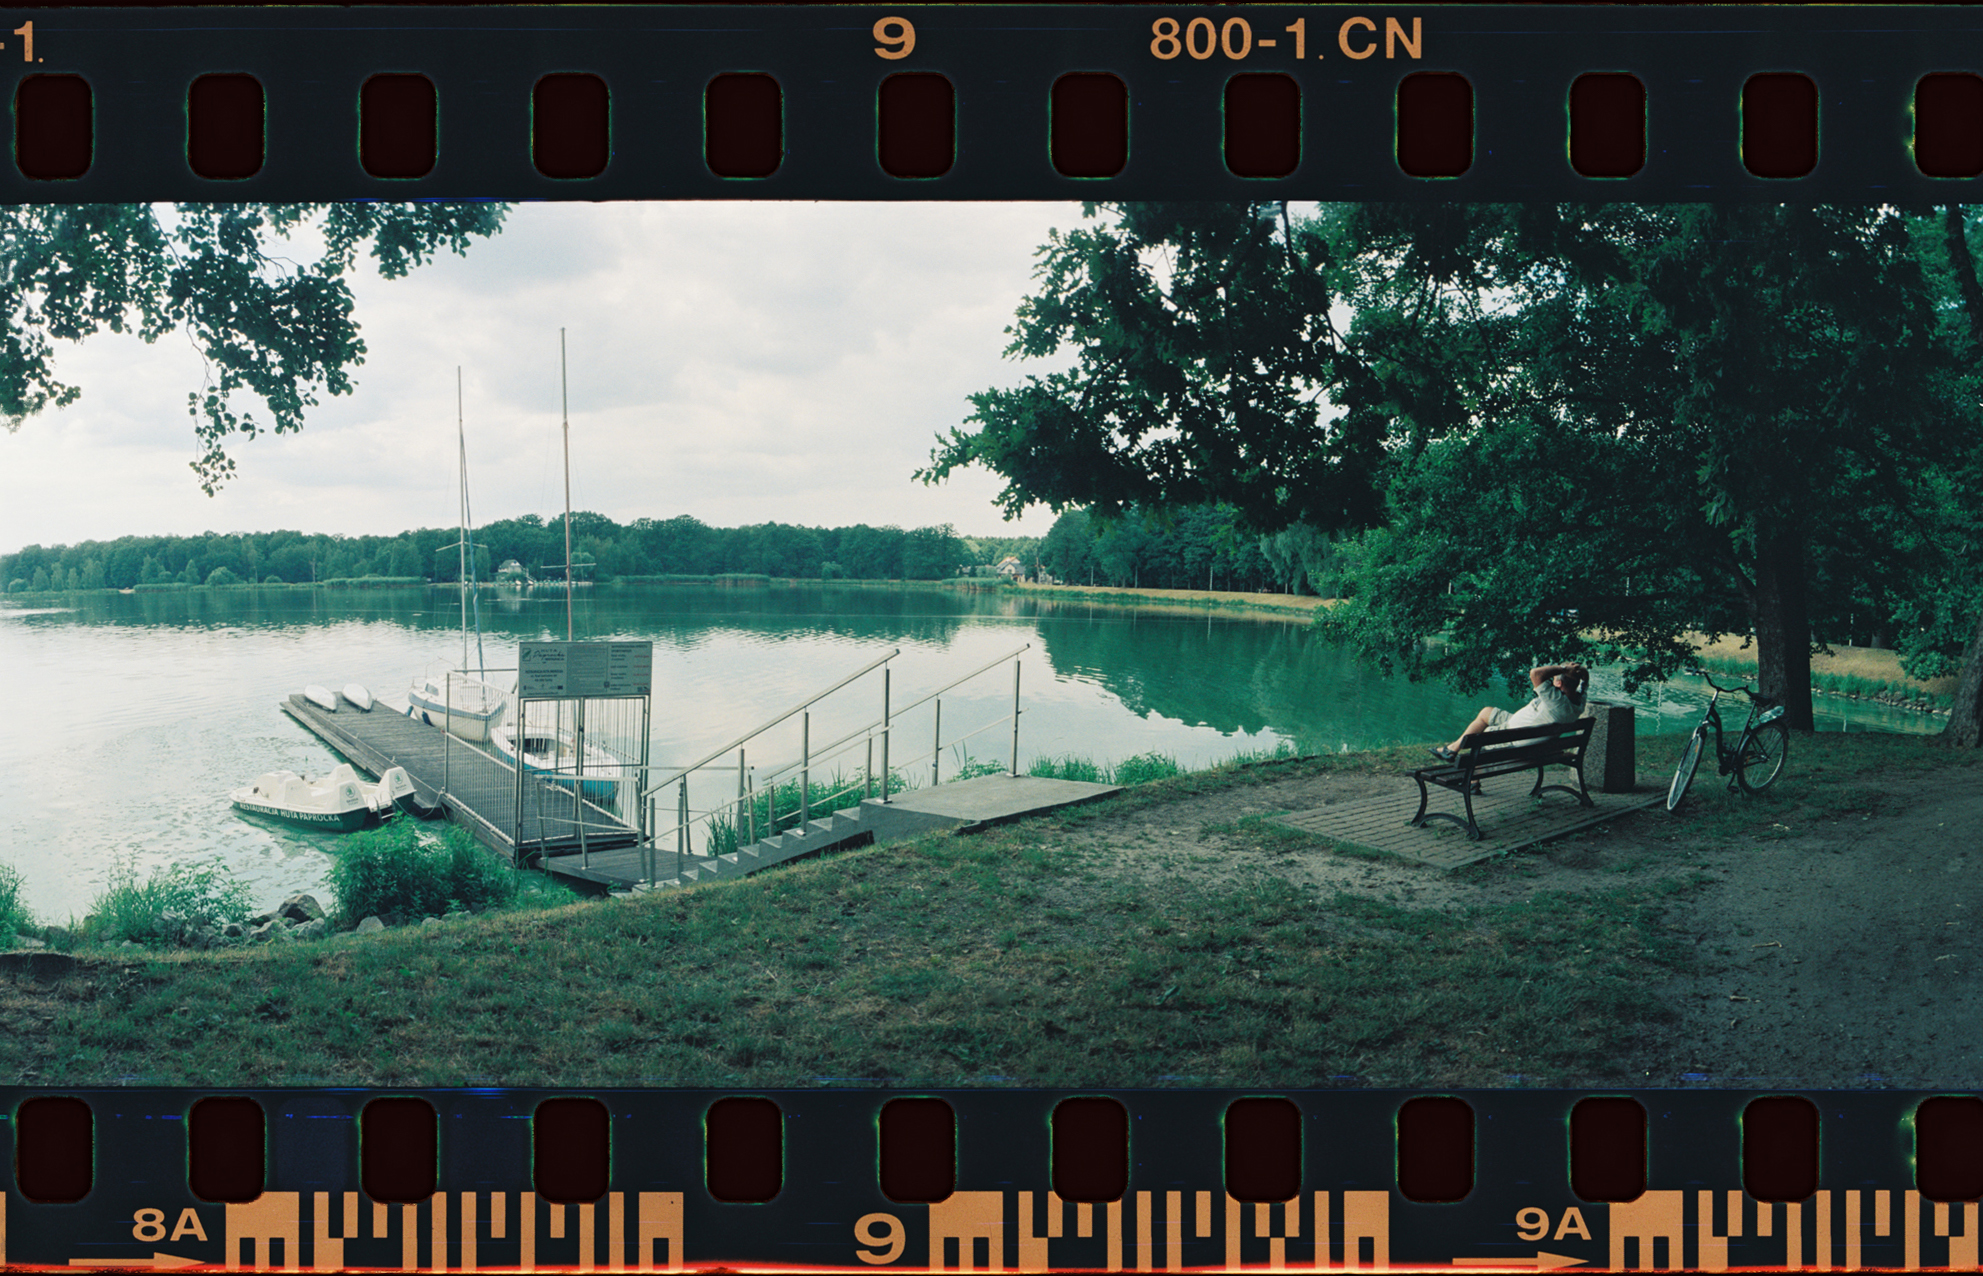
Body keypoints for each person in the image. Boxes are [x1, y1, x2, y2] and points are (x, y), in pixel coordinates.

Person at [1431, 663, 1588, 761]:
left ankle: (1458, 759)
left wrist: (1563, 668)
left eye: (1554, 678)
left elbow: (1535, 673)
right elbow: (1583, 686)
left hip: (1515, 738)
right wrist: (1582, 676)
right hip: (1527, 732)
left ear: (1559, 682)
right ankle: (1453, 748)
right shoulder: (1577, 702)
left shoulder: (1556, 701)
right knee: (1487, 712)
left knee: (1478, 736)